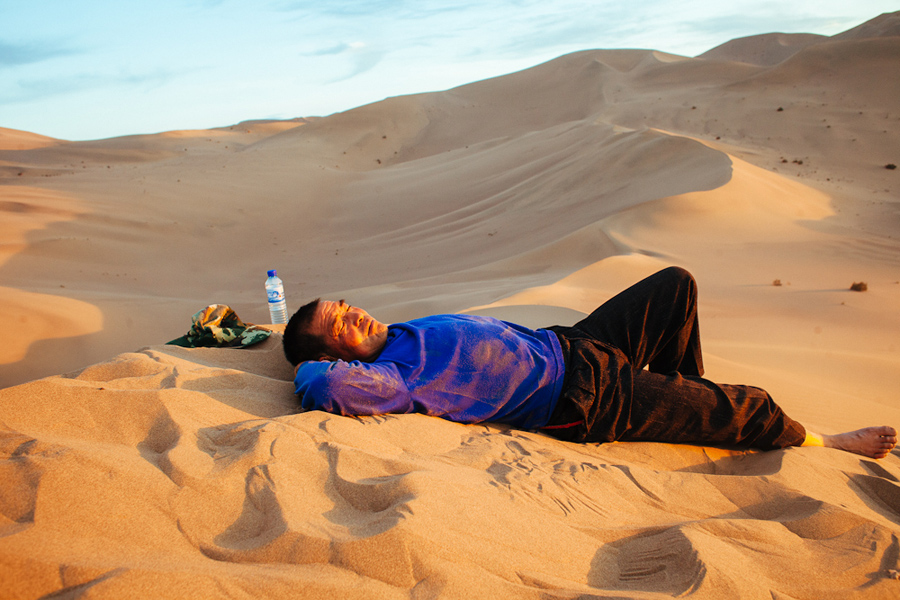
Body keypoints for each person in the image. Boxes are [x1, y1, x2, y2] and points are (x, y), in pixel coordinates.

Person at [282, 267, 896, 459]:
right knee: (754, 404)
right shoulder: (391, 379)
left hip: (577, 344)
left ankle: (687, 398)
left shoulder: (403, 333)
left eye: (344, 306)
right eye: (338, 327)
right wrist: (304, 366)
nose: (353, 316)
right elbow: (324, 391)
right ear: (334, 355)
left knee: (675, 285)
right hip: (582, 398)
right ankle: (826, 443)